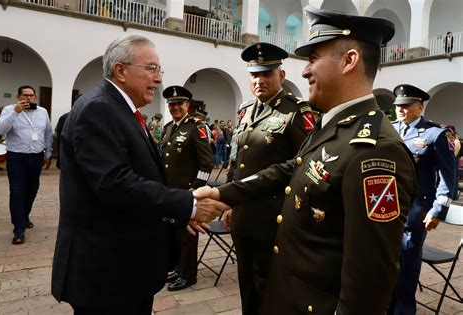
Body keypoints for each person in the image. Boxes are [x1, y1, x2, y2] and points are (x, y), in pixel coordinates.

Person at [196, 6, 418, 314]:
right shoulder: (336, 125)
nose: (305, 70)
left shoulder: (377, 150)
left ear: (349, 61)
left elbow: (370, 279)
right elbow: (290, 169)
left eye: (313, 59)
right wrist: (222, 193)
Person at [50, 35, 226, 314]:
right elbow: (115, 184)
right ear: (120, 71)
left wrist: (178, 212)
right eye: (152, 68)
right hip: (107, 272)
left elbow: (145, 177)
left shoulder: (119, 109)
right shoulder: (99, 109)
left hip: (124, 267)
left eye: (160, 71)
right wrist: (188, 205)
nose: (158, 79)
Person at [222, 42, 316, 314]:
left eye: (267, 74)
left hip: (274, 217)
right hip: (243, 216)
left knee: (271, 287)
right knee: (247, 283)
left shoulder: (297, 112)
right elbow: (235, 160)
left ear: (281, 76)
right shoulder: (245, 111)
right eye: (254, 74)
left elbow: (304, 164)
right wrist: (229, 200)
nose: (259, 80)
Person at [388, 84, 455, 315]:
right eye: (398, 106)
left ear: (420, 106)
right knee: (387, 266)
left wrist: (438, 210)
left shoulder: (435, 134)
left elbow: (448, 176)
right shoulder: (389, 129)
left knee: (406, 270)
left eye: (406, 106)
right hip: (386, 207)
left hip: (415, 213)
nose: (401, 110)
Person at [160, 85, 214, 291]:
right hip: (170, 193)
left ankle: (188, 275)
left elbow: (206, 164)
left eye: (179, 104)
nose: (175, 108)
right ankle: (177, 268)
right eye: (171, 104)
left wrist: (195, 190)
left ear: (187, 105)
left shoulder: (196, 128)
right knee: (173, 233)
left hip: (187, 193)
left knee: (187, 235)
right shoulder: (168, 128)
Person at [0, 86, 53, 245]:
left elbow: (47, 133)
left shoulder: (42, 112)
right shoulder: (9, 110)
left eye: (31, 96)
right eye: (25, 95)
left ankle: (24, 215)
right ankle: (19, 229)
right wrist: (16, 112)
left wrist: (48, 153)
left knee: (32, 190)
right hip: (17, 157)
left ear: (35, 97)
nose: (28, 99)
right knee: (17, 191)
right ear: (18, 96)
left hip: (36, 157)